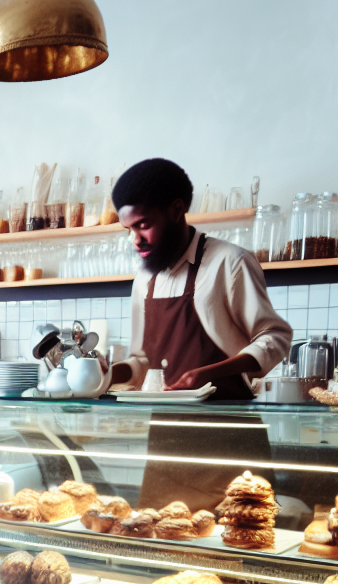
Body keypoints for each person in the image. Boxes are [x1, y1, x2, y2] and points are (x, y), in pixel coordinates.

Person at [107, 158, 293, 509]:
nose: (136, 240)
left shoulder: (230, 262)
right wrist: (106, 375)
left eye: (143, 225)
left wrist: (206, 375)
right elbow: (142, 360)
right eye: (128, 229)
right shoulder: (144, 278)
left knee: (238, 545)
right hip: (166, 445)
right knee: (162, 544)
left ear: (177, 209)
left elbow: (275, 337)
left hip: (229, 440)